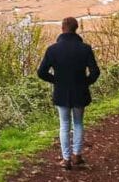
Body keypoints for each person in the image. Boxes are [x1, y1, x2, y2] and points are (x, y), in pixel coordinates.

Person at [37, 16, 100, 169]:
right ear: (76, 28)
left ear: (62, 28)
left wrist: (56, 81)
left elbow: (41, 72)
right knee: (78, 123)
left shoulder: (52, 49)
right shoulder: (85, 48)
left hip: (61, 92)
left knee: (64, 125)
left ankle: (66, 160)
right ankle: (77, 156)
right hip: (80, 91)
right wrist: (85, 82)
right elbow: (95, 72)